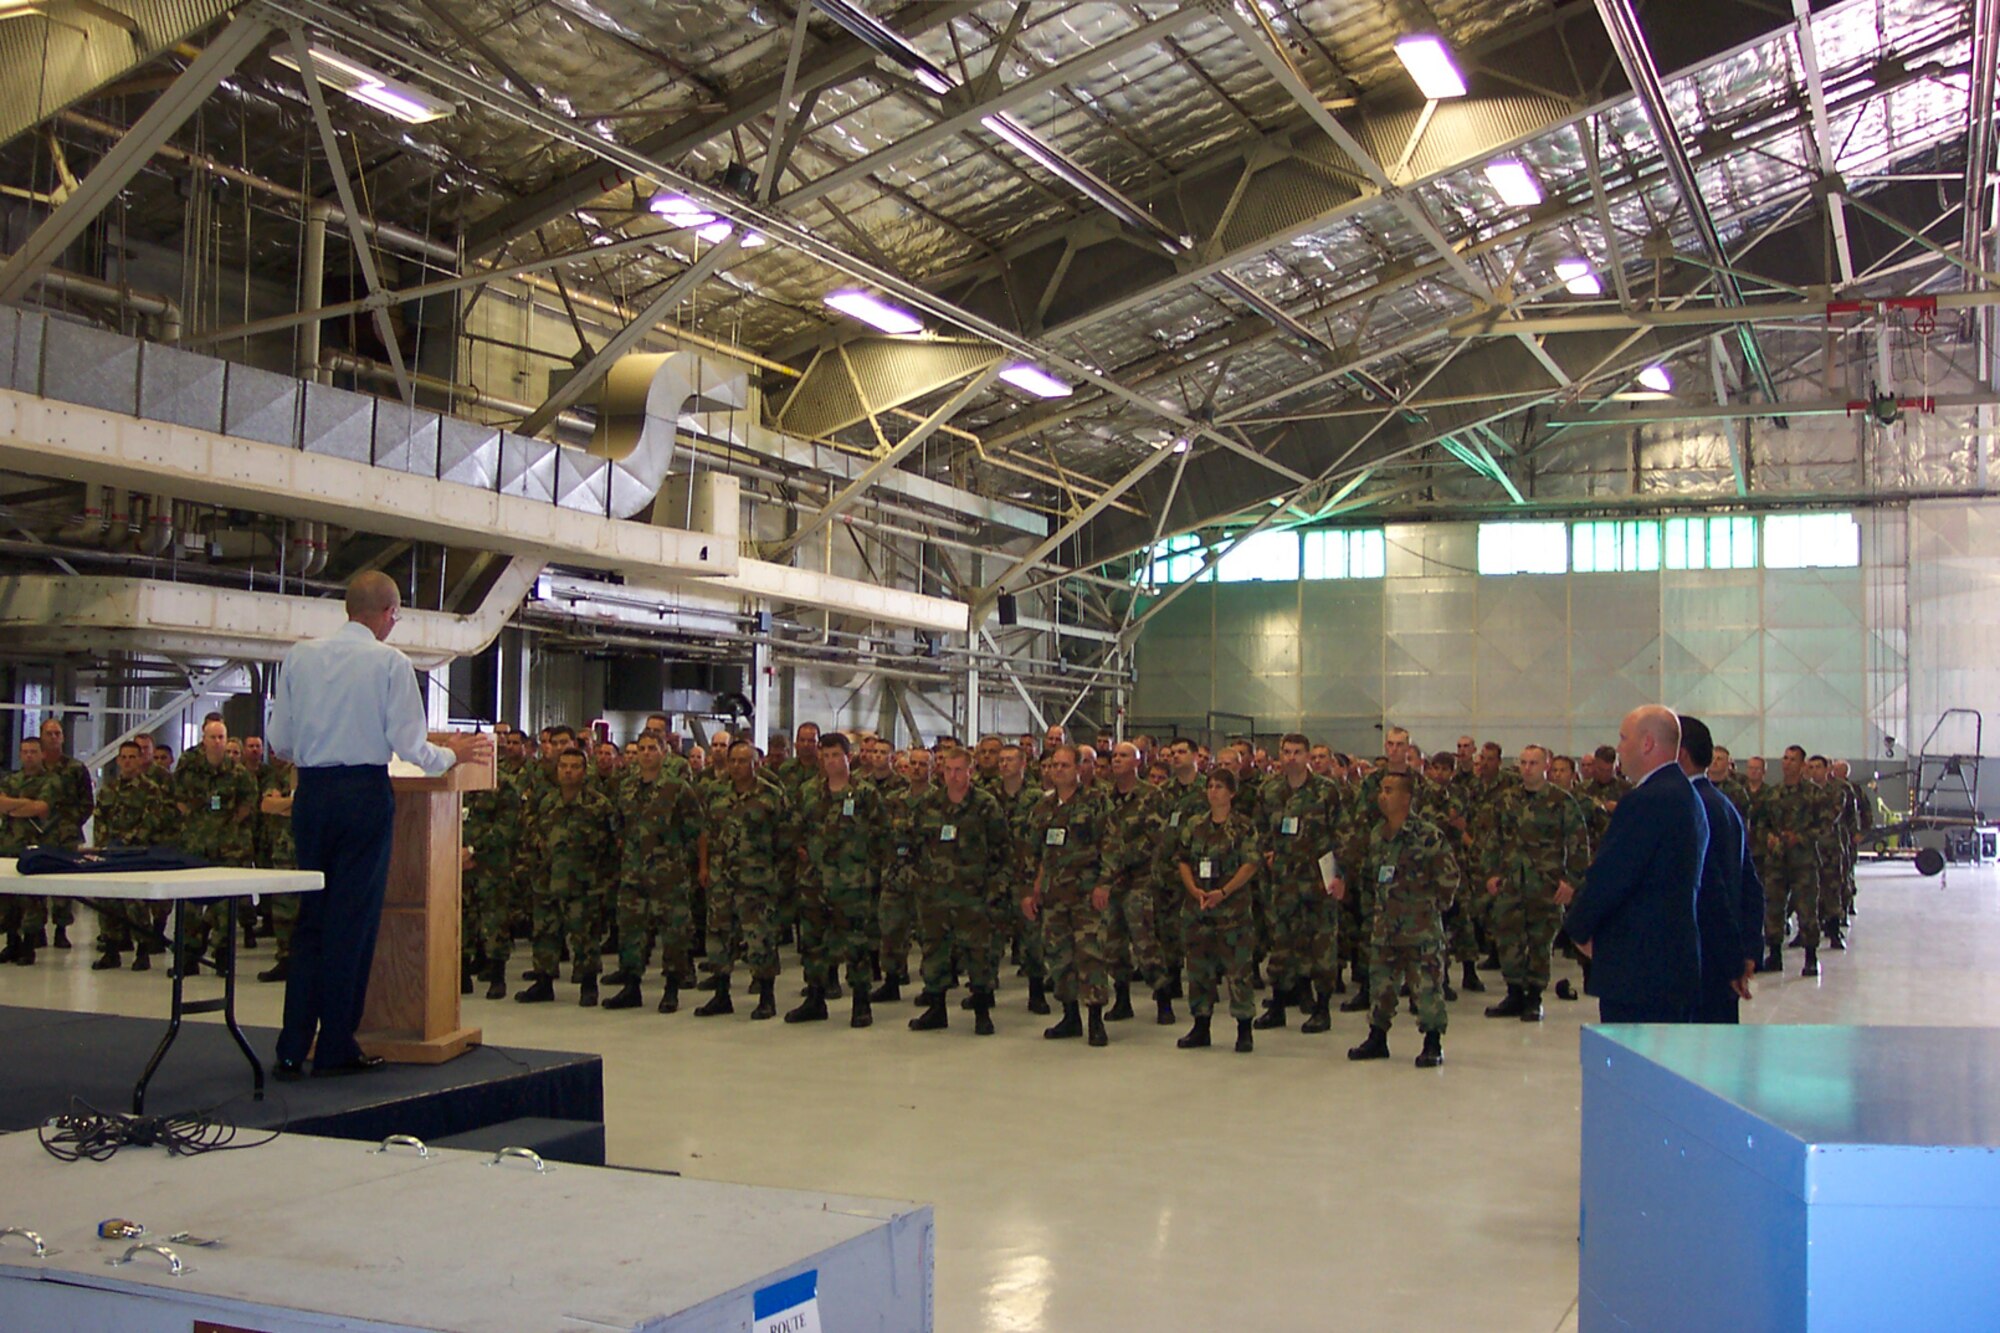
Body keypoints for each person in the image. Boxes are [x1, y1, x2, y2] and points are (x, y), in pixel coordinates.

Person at [267, 572, 489, 1079]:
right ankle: (336, 1048)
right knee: (352, 923)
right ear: (389, 612)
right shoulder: (390, 662)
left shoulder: (300, 657)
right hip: (363, 795)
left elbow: (280, 739)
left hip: (312, 794)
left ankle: (291, 1046)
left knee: (311, 923)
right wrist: (449, 754)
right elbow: (411, 746)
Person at [1561, 706, 1707, 1025]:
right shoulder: (1685, 795)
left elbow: (1611, 877)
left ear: (1647, 743)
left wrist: (1578, 927)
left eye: (1623, 739)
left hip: (1640, 971)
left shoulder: (1647, 801)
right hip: (1668, 966)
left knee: (1634, 1066)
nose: (1619, 749)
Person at [1345, 770, 1458, 1068]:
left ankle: (1432, 1042)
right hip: (1384, 928)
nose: (1383, 795)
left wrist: (1432, 909)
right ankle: (1377, 1037)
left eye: (1390, 790)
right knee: (1381, 985)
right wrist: (1373, 914)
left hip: (1420, 928)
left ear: (1406, 797)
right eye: (1381, 790)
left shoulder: (1428, 835)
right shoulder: (1377, 836)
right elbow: (1369, 878)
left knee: (1427, 989)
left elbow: (1448, 877)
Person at [1678, 717, 1763, 1024]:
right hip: (1723, 957)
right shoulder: (1722, 803)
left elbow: (1713, 893)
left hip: (1704, 959)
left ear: (1680, 754)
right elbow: (1750, 885)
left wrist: (1732, 961)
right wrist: (1747, 952)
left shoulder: (1689, 807)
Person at [1174, 768, 1261, 1054]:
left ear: (1232, 793)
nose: (1214, 791)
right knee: (1199, 969)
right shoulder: (1195, 825)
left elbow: (1250, 864)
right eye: (1210, 786)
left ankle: (1244, 1028)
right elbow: (1183, 859)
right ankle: (1201, 1024)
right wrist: (1194, 890)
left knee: (1238, 971)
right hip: (1198, 909)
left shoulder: (1244, 827)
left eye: (1220, 787)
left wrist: (1223, 892)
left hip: (1231, 911)